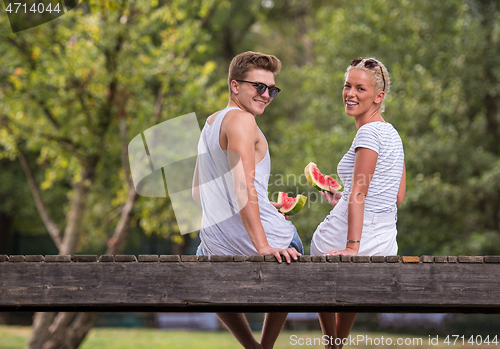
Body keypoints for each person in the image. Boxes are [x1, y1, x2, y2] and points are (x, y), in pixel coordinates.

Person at [192, 51, 303, 349]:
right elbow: (244, 188)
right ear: (234, 85)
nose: (266, 95)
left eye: (272, 89)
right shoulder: (243, 121)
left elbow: (197, 193)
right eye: (259, 86)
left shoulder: (211, 124)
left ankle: (250, 346)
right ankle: (265, 347)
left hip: (214, 248)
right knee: (294, 245)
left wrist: (268, 207)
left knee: (203, 252)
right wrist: (263, 246)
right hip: (263, 243)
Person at [310, 57, 406, 349]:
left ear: (379, 96)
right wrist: (342, 198)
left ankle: (332, 342)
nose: (350, 94)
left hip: (354, 243)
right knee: (348, 287)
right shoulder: (393, 134)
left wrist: (353, 248)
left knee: (319, 260)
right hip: (386, 243)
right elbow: (397, 195)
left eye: (360, 89)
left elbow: (360, 194)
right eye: (347, 86)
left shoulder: (368, 132)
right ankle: (337, 343)